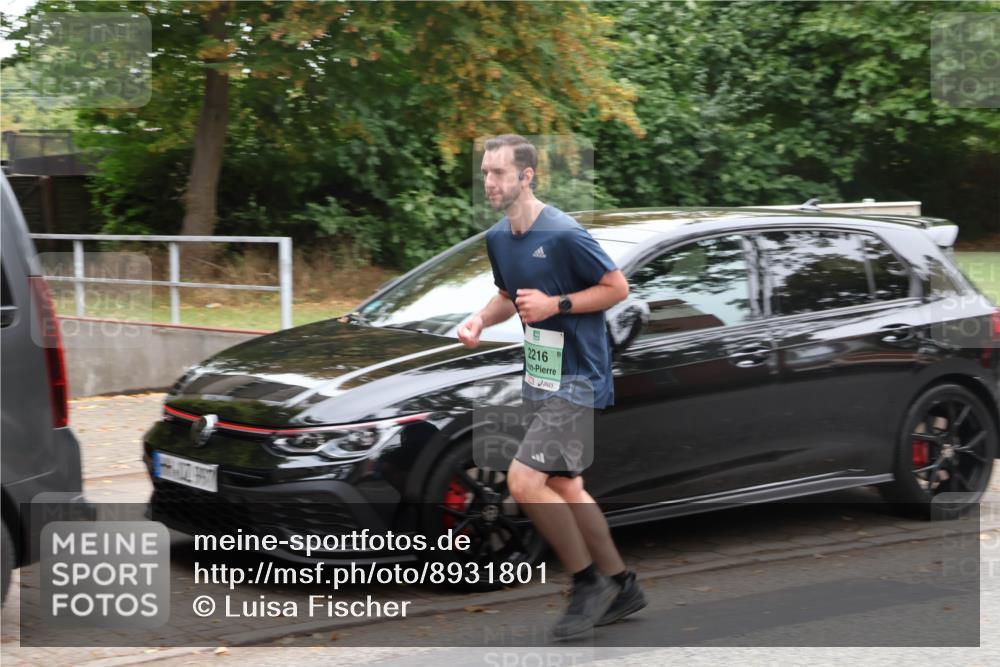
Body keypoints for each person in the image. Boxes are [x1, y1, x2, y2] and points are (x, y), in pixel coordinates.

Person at [458, 134, 646, 639]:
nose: (489, 182)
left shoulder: (564, 233)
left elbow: (616, 287)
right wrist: (479, 318)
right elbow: (507, 294)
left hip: (579, 375)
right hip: (543, 373)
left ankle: (587, 583)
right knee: (565, 484)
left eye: (498, 172)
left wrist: (555, 305)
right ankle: (622, 583)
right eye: (485, 172)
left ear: (527, 176)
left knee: (524, 481)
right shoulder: (499, 237)